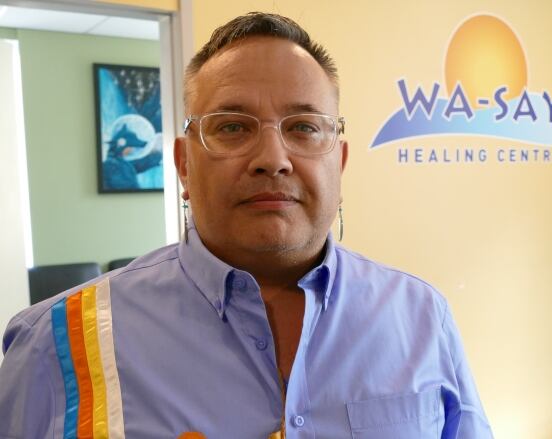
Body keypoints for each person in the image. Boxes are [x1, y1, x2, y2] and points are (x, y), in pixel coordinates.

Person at [0, 12, 493, 439]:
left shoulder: (422, 318)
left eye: (303, 127)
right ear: (184, 166)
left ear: (338, 164)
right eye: (233, 126)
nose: (273, 159)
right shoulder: (55, 344)